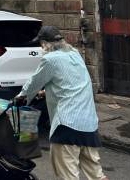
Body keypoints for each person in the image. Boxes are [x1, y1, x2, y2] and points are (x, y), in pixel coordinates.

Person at [17, 26, 108, 180]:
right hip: (89, 123)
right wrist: (46, 92)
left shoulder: (50, 59)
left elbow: (33, 83)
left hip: (66, 124)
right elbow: (72, 82)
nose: (40, 47)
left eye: (40, 44)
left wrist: (20, 97)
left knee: (67, 175)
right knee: (96, 174)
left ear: (46, 44)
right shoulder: (75, 54)